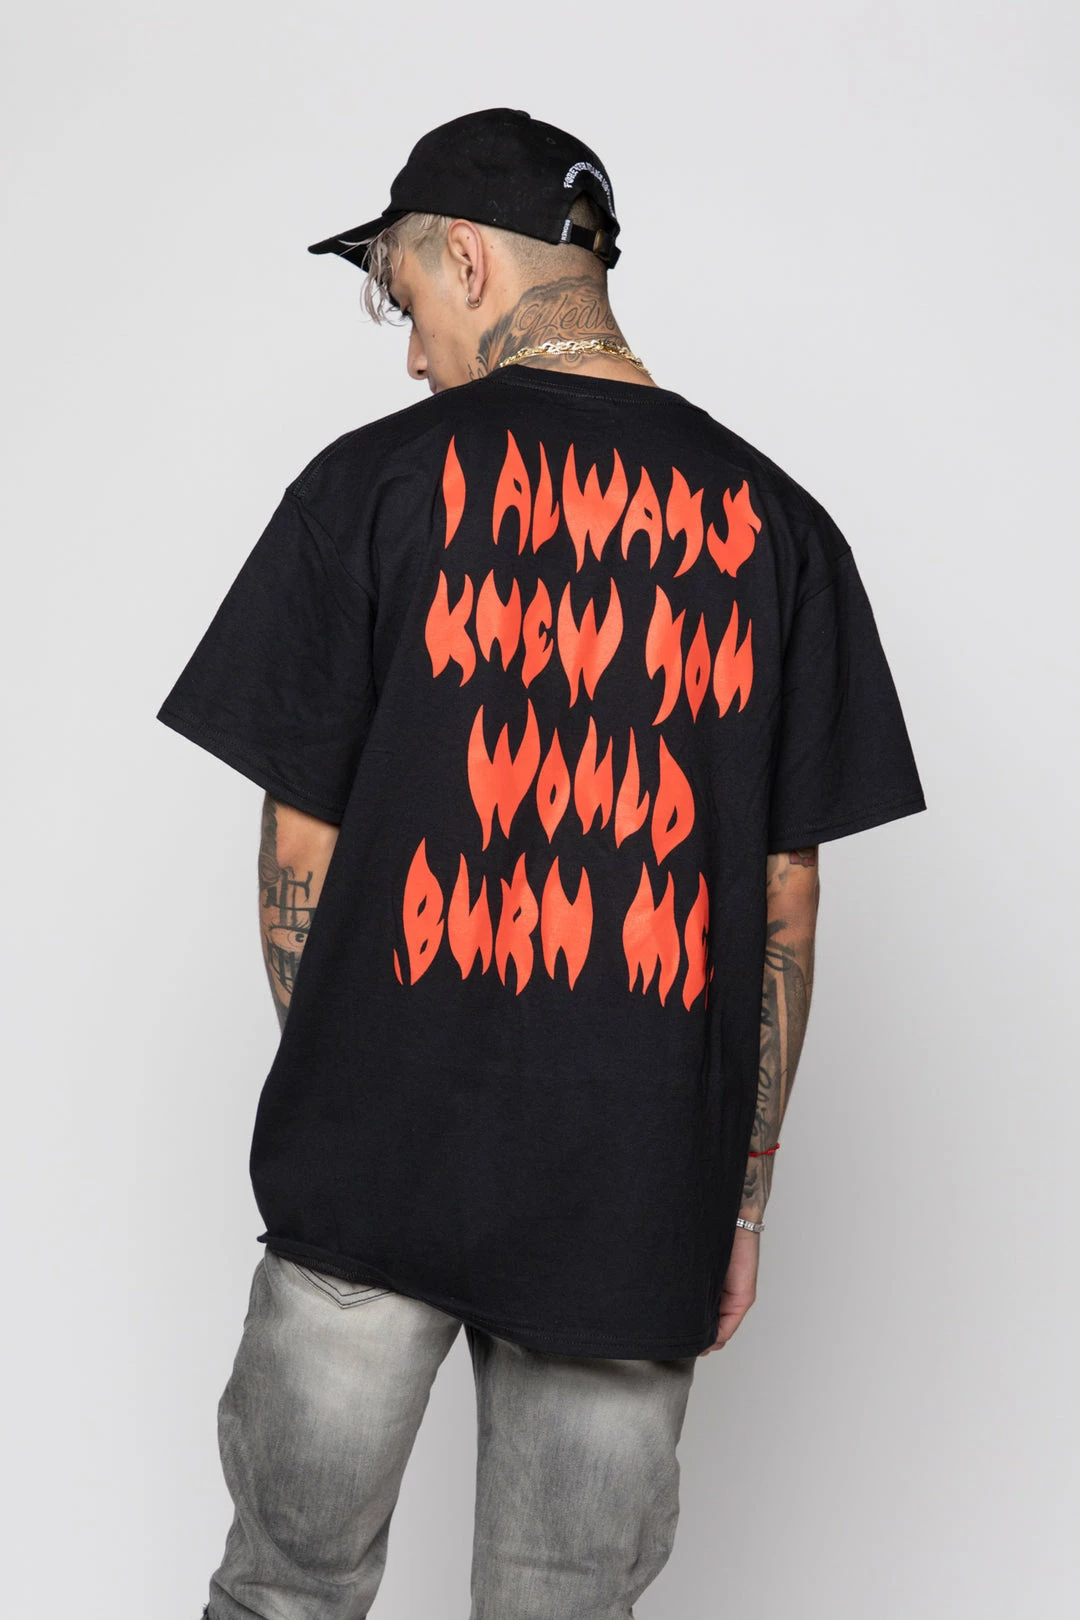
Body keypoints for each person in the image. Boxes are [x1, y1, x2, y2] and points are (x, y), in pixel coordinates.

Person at [158, 107, 928, 1620]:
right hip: (634, 1186)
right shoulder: (780, 530)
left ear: (464, 258)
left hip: (370, 1164)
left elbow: (300, 842)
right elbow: (785, 900)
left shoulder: (368, 490)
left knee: (283, 1594)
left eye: (401, 297)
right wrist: (742, 1200)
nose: (408, 352)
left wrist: (358, 1078)